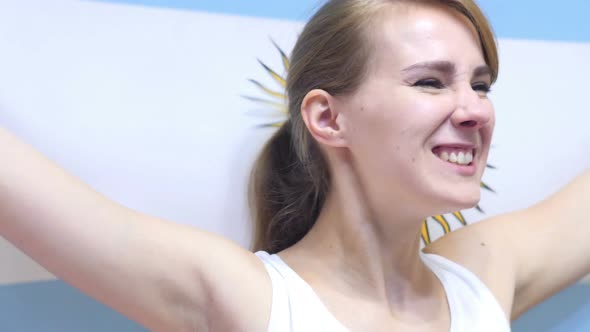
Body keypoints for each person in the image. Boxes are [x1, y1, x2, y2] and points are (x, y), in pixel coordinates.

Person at [0, 0, 588, 331]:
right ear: (329, 119)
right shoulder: (252, 298)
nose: (475, 110)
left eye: (480, 85)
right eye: (430, 82)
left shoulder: (481, 276)